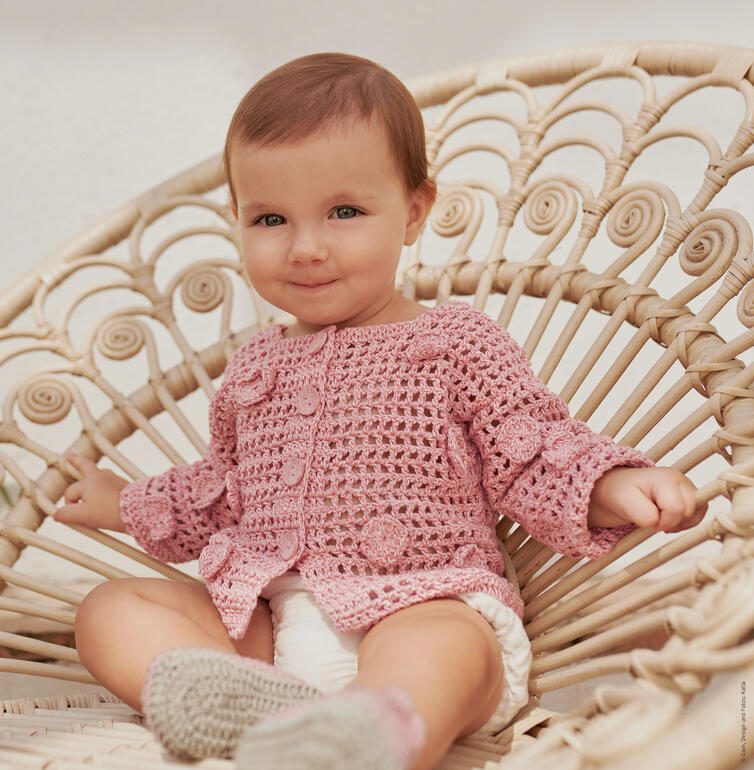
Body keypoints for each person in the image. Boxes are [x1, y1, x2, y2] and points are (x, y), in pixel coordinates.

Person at [54, 52, 708, 770]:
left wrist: (608, 484)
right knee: (110, 611)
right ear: (237, 221)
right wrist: (128, 502)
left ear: (413, 212)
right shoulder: (255, 370)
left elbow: (530, 447)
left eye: (344, 212)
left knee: (441, 647)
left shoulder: (452, 344)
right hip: (275, 622)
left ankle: (369, 735)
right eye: (271, 218)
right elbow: (229, 491)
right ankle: (260, 714)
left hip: (423, 599)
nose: (306, 248)